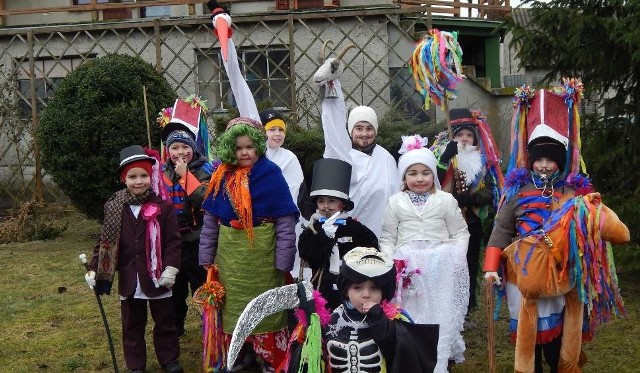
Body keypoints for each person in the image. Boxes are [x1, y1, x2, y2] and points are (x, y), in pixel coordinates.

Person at [483, 82, 629, 373]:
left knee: (559, 332)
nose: (545, 165)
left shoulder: (572, 195)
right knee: (528, 333)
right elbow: (500, 231)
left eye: (551, 160)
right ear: (531, 160)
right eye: (539, 159)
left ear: (559, 163)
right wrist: (490, 266)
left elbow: (589, 229)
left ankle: (558, 364)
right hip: (524, 274)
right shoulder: (517, 193)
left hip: (562, 272)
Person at [198, 116, 299, 373]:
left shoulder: (271, 175)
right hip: (231, 258)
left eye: (249, 147)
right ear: (231, 149)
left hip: (263, 258)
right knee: (234, 306)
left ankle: (270, 360)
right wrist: (206, 255)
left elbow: (285, 220)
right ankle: (239, 358)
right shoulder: (221, 176)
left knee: (265, 307)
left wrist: (283, 260)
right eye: (239, 148)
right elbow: (211, 220)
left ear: (258, 147)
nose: (244, 152)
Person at [84, 144, 183, 373]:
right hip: (130, 277)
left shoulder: (163, 206)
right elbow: (105, 241)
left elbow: (173, 241)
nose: (139, 181)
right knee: (132, 325)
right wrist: (94, 268)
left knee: (165, 321)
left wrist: (171, 267)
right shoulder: (114, 207)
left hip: (157, 276)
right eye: (132, 177)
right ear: (123, 179)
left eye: (144, 176)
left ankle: (169, 360)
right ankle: (136, 365)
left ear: (151, 176)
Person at [379, 135, 469, 373]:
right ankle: (411, 358)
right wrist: (391, 263)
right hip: (409, 269)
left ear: (433, 176)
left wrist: (456, 257)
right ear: (404, 177)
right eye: (413, 173)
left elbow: (460, 232)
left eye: (425, 173)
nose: (420, 179)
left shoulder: (446, 200)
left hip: (440, 266)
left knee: (438, 313)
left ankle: (439, 361)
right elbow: (388, 237)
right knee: (413, 313)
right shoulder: (395, 202)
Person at [431, 108, 503, 323]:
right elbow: (432, 179)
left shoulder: (482, 161)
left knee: (469, 265)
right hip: (443, 225)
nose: (464, 139)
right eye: (460, 134)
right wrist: (445, 159)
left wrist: (473, 200)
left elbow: (491, 188)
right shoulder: (439, 155)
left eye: (468, 135)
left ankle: (467, 307)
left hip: (471, 223)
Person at [314, 56, 399, 237]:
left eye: (369, 128)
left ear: (375, 131)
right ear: (351, 131)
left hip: (381, 231)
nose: (364, 133)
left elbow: (395, 193)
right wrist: (332, 86)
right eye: (358, 128)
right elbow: (333, 129)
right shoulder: (343, 154)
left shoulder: (386, 158)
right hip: (346, 232)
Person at [325, 246, 439, 373]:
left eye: (374, 288)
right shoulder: (331, 320)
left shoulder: (395, 319)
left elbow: (404, 355)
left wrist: (379, 319)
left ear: (383, 291)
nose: (366, 294)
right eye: (357, 288)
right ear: (346, 291)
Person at [158, 96, 214, 337]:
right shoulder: (160, 173)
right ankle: (175, 327)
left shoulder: (205, 170)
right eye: (174, 148)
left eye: (185, 147)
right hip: (172, 242)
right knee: (175, 290)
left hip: (198, 240)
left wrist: (185, 176)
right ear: (168, 151)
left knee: (202, 287)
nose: (180, 152)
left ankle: (209, 327)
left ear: (193, 148)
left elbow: (206, 200)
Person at [298, 158, 379, 310]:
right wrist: (324, 237)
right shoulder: (312, 230)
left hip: (352, 290)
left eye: (331, 201)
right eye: (321, 201)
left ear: (342, 204)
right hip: (322, 289)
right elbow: (309, 256)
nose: (326, 206)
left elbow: (372, 253)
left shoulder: (355, 228)